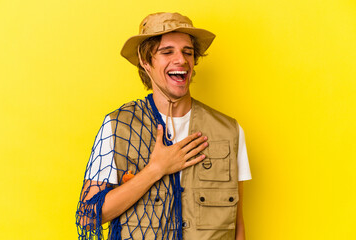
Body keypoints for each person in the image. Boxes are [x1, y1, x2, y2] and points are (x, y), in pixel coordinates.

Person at [76, 12, 251, 240]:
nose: (181, 60)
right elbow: (88, 217)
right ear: (146, 61)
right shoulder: (117, 127)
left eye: (187, 52)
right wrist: (155, 170)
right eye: (167, 52)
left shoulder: (229, 131)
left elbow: (237, 224)